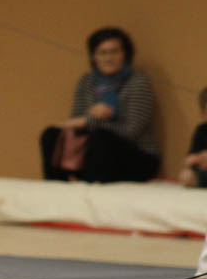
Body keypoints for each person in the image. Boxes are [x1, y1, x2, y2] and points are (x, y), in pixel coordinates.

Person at [38, 27, 160, 184]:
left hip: (137, 156)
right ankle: (56, 187)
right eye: (102, 53)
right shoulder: (87, 81)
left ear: (125, 54)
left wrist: (90, 121)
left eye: (114, 52)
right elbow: (76, 122)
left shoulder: (138, 83)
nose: (109, 58)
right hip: (90, 154)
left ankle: (93, 189)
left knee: (101, 138)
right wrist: (91, 117)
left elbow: (131, 132)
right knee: (51, 134)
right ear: (94, 56)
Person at [174, 87, 207, 187]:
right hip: (203, 172)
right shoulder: (201, 131)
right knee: (186, 176)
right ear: (203, 114)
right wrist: (199, 158)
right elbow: (188, 160)